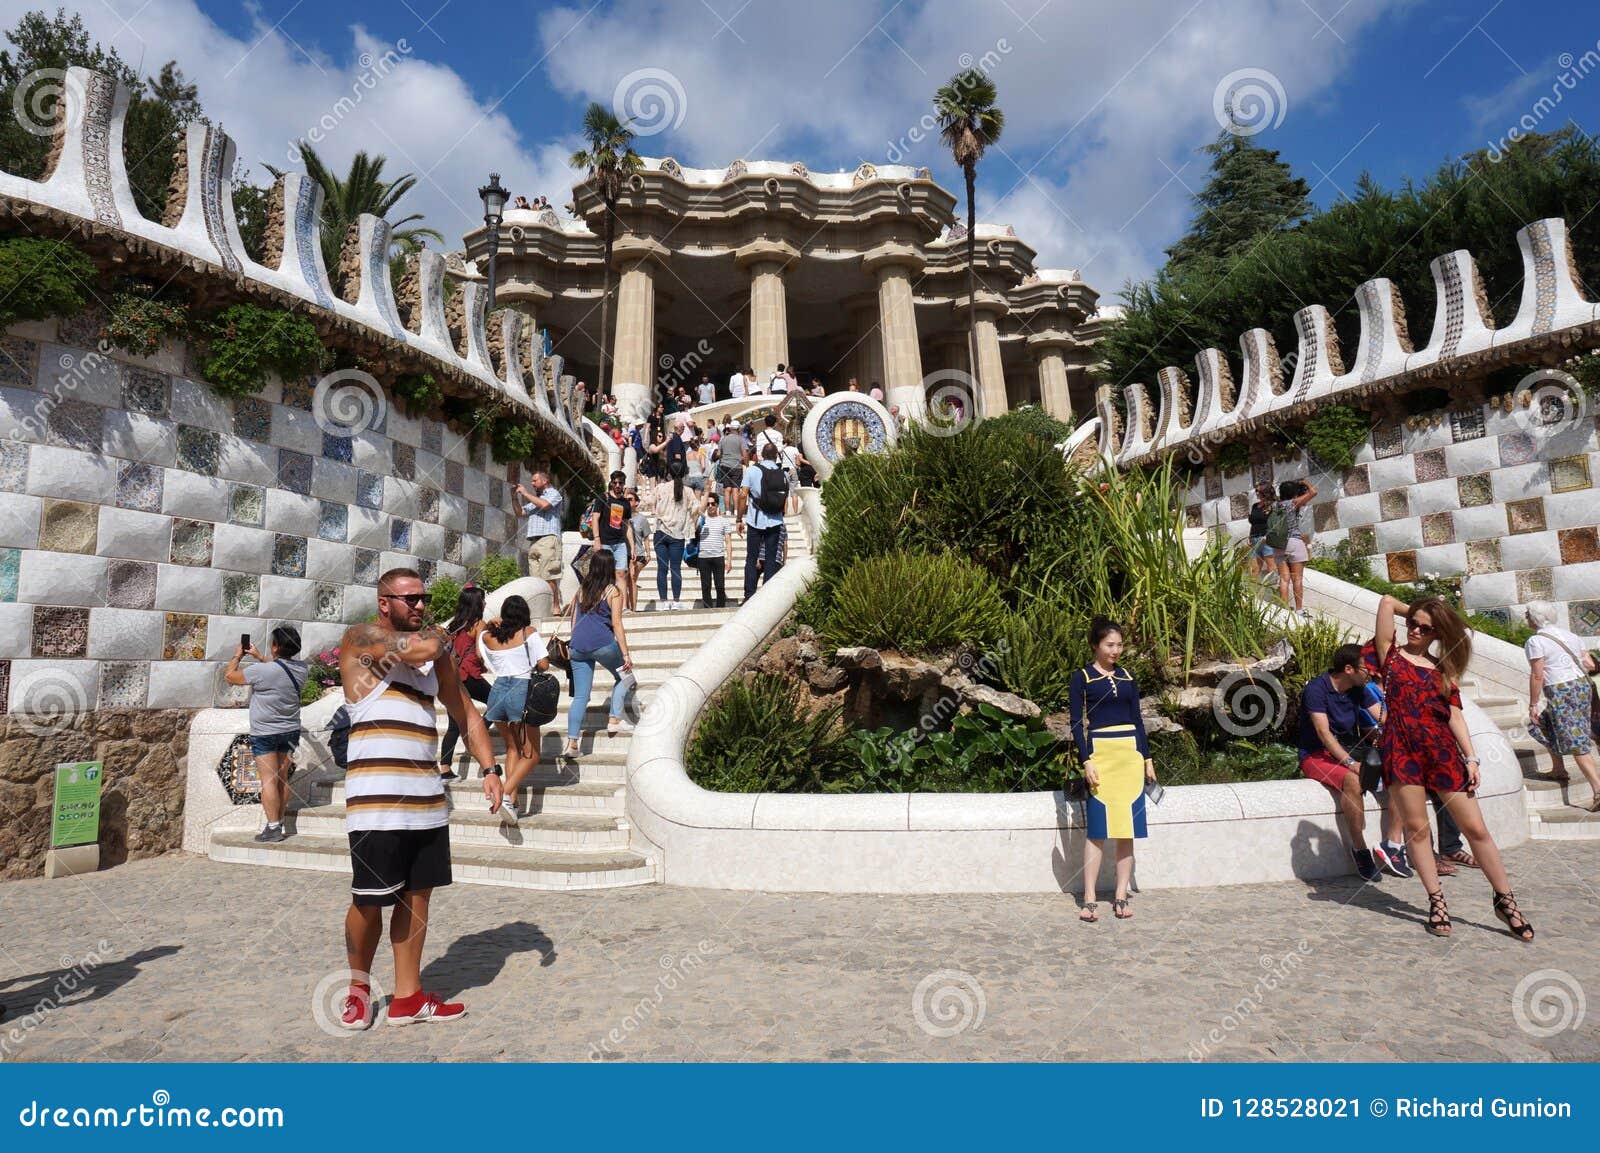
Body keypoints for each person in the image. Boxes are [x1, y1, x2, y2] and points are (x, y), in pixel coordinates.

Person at [336, 568, 503, 1028]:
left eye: (424, 598)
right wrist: (445, 637)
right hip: (375, 801)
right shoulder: (363, 639)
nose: (420, 605)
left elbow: (465, 711)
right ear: (384, 602)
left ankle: (408, 997)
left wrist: (490, 769)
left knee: (417, 897)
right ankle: (357, 988)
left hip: (426, 799)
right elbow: (427, 645)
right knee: (368, 900)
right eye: (409, 599)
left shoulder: (434, 660)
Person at [1371, 594, 1532, 941]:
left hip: (1441, 752)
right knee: (1417, 829)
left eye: (1423, 627)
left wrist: (1471, 757)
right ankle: (1436, 900)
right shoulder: (1392, 657)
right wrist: (1422, 610)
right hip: (1402, 751)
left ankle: (1505, 901)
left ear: (1437, 633)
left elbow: (1455, 716)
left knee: (1476, 830)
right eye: (1412, 623)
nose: (1414, 629)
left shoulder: (1444, 671)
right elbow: (1386, 601)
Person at [1068, 617, 1157, 921]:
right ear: (1095, 645)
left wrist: (1147, 758)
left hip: (1129, 756)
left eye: (1119, 644)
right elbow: (1077, 724)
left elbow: (1138, 721)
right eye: (1110, 644)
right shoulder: (1081, 677)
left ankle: (1120, 895)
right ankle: (1089, 897)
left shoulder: (1129, 677)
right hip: (1101, 756)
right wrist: (1086, 760)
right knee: (1097, 831)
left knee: (1126, 830)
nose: (1116, 650)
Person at [1298, 643, 1391, 881]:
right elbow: (1323, 732)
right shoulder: (1317, 689)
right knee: (1352, 781)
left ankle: (1394, 845)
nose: (1370, 672)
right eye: (1366, 667)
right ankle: (1360, 849)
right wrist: (1350, 763)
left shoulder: (1358, 688)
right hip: (1316, 755)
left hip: (1352, 748)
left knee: (1400, 773)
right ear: (1349, 669)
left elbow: (1383, 716)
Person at [224, 625, 307, 844]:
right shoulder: (301, 669)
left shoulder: (262, 672)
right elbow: (279, 668)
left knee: (268, 781)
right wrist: (260, 656)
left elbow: (230, 676)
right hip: (290, 731)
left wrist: (238, 655)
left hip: (265, 733)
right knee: (282, 779)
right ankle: (278, 821)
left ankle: (272, 829)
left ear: (276, 646)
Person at [478, 595, 551, 825]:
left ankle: (513, 801)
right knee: (532, 754)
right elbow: (544, 665)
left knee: (512, 748)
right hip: (521, 689)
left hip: (498, 691)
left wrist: (494, 623)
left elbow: (483, 656)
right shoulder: (528, 632)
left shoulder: (488, 637)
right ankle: (505, 793)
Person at [1524, 600, 1600, 806]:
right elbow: (1589, 664)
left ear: (1535, 618)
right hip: (1581, 687)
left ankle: (1597, 789)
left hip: (1562, 690)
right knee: (1540, 724)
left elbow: (1537, 675)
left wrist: (1533, 704)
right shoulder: (1572, 636)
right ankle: (1558, 768)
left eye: (1527, 614)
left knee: (1576, 741)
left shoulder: (1535, 641)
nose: (1526, 618)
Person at [562, 551, 635, 757]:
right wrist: (626, 654)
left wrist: (576, 642)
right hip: (602, 643)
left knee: (581, 697)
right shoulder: (613, 590)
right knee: (626, 676)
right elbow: (617, 624)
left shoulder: (581, 589)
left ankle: (572, 744)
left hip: (577, 646)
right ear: (610, 567)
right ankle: (614, 720)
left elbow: (573, 621)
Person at [437, 586, 490, 780]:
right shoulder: (479, 624)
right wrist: (485, 664)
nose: (485, 602)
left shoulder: (454, 625)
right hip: (470, 674)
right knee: (496, 702)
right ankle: (479, 730)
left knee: (454, 724)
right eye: (483, 599)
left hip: (453, 676)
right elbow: (478, 652)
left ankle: (444, 767)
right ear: (477, 603)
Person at [741, 442, 789, 599]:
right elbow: (784, 498)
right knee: (770, 559)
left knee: (751, 558)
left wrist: (738, 519)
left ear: (761, 455)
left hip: (755, 521)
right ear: (776, 456)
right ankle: (767, 596)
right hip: (775, 521)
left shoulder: (752, 470)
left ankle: (749, 596)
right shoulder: (784, 474)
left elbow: (743, 494)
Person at [649, 462, 698, 610]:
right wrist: (692, 526)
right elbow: (696, 509)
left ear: (668, 472)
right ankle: (676, 601)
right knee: (676, 568)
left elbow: (646, 501)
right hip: (678, 534)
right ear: (684, 473)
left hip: (661, 532)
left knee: (661, 568)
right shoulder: (688, 491)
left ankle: (664, 602)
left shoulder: (660, 488)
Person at [515, 471, 564, 615]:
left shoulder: (554, 493)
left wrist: (524, 493)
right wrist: (514, 498)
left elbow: (545, 505)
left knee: (549, 576)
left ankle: (555, 607)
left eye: (534, 480)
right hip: (534, 541)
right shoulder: (536, 499)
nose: (532, 483)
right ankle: (540, 609)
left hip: (548, 539)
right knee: (535, 580)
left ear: (544, 481)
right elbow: (520, 513)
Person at [1270, 478, 1318, 617]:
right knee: (1297, 579)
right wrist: (1305, 482)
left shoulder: (1275, 505)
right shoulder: (1294, 503)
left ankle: (1284, 610)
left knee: (1284, 579)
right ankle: (1299, 610)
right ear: (1294, 493)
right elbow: (1313, 492)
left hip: (1278, 544)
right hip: (1293, 542)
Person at [590, 470, 637, 608]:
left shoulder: (625, 503)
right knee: (603, 574)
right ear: (611, 483)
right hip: (604, 541)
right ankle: (602, 604)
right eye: (615, 482)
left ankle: (622, 606)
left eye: (620, 483)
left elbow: (627, 526)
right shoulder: (603, 498)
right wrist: (597, 539)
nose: (617, 485)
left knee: (621, 573)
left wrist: (632, 547)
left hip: (620, 543)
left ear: (623, 484)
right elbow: (595, 518)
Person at [695, 492, 733, 607]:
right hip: (703, 557)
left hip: (718, 557)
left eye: (713, 504)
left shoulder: (724, 521)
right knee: (705, 587)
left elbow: (728, 542)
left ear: (717, 505)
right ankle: (707, 610)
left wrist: (729, 560)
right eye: (708, 504)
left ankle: (721, 608)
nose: (710, 506)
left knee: (720, 586)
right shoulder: (701, 520)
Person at [626, 485, 650, 613]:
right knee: (626, 580)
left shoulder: (642, 519)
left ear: (636, 502)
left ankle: (633, 608)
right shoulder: (622, 516)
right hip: (625, 552)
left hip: (639, 553)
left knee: (632, 579)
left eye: (631, 499)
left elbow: (646, 537)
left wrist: (648, 553)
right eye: (627, 499)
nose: (628, 501)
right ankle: (627, 607)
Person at [716, 421, 746, 518]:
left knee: (727, 489)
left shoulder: (723, 439)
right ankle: (736, 511)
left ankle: (728, 511)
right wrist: (747, 464)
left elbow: (718, 454)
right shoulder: (740, 439)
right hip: (736, 466)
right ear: (738, 429)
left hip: (724, 466)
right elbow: (744, 453)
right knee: (735, 489)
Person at [1246, 483, 1275, 582]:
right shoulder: (1255, 506)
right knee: (1254, 569)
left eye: (1258, 491)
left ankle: (1275, 594)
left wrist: (1269, 536)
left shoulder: (1273, 505)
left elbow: (1277, 522)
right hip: (1254, 539)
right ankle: (1253, 595)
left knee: (1271, 568)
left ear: (1265, 492)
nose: (1256, 493)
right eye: (1256, 491)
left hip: (1267, 540)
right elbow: (1253, 523)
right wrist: (1249, 537)